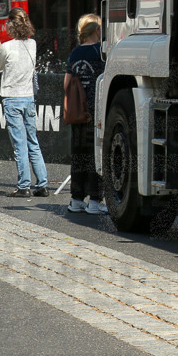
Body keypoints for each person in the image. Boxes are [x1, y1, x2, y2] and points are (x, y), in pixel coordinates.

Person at [0, 7, 48, 198]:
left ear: (11, 25)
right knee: (32, 142)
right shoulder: (33, 44)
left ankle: (23, 186)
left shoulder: (7, 47)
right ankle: (43, 184)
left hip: (12, 99)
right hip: (28, 97)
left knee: (19, 144)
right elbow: (17, 53)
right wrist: (1, 47)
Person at [66, 14, 107, 215]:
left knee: (78, 155)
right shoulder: (100, 52)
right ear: (97, 31)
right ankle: (95, 200)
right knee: (95, 155)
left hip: (76, 113)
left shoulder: (74, 53)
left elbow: (67, 83)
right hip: (95, 111)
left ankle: (76, 199)